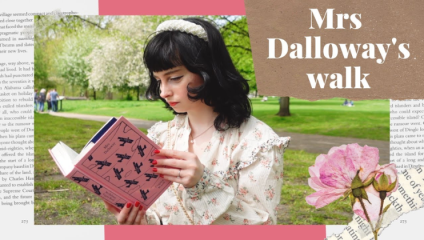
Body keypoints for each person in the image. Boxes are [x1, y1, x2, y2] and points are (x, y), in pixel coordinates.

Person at [103, 18, 290, 225]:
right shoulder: (161, 136)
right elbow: (164, 217)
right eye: (158, 81)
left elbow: (262, 224)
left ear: (208, 70)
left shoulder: (256, 141)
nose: (163, 92)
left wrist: (203, 184)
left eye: (174, 78)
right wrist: (140, 222)